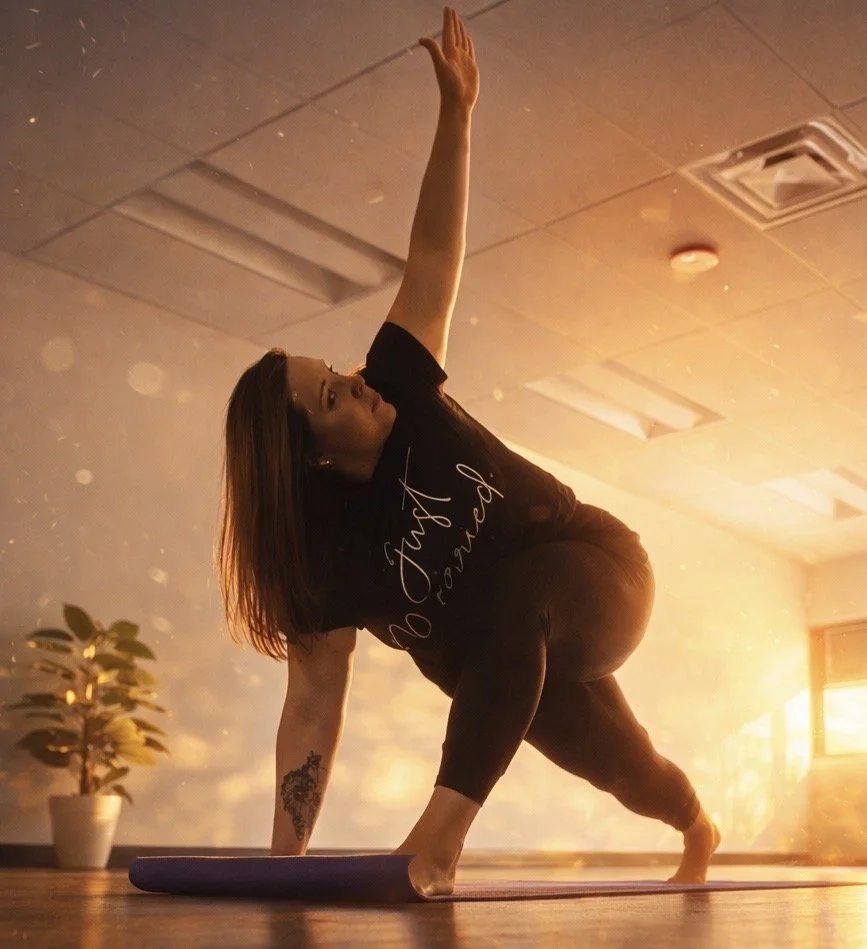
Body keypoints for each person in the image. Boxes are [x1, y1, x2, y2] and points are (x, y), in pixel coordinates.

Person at [217, 6, 720, 897]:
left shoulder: (399, 381)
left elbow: (433, 254)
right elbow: (312, 707)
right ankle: (697, 822)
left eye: (338, 372)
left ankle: (437, 842)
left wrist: (457, 113)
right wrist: (284, 866)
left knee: (513, 594)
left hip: (594, 570)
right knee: (624, 767)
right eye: (332, 396)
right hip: (497, 669)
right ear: (309, 461)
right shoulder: (320, 562)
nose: (358, 384)